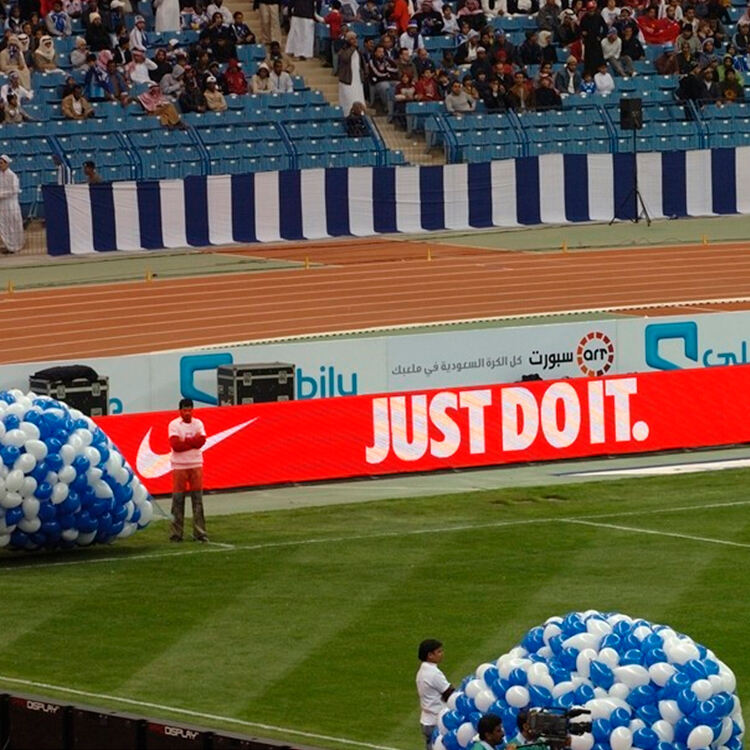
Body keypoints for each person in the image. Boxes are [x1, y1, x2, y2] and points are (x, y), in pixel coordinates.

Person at [168, 397, 208, 543]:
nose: (187, 413)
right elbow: (175, 445)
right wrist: (192, 442)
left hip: (196, 464)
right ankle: (176, 534)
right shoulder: (174, 425)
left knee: (197, 500)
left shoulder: (198, 423)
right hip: (179, 466)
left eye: (190, 410)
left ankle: (200, 532)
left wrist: (185, 441)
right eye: (185, 410)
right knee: (178, 500)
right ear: (180, 411)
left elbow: (201, 442)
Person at [416, 639, 454, 750]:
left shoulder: (422, 671)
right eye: (439, 652)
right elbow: (449, 694)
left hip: (426, 720)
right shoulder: (433, 673)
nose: (442, 654)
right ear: (430, 655)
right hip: (436, 721)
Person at [339, 31, 365, 116]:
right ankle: (348, 115)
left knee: (359, 97)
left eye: (355, 38)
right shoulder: (343, 50)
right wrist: (353, 48)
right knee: (349, 99)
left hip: (357, 79)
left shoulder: (358, 50)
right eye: (352, 39)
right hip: (347, 79)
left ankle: (360, 113)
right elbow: (345, 58)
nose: (354, 40)